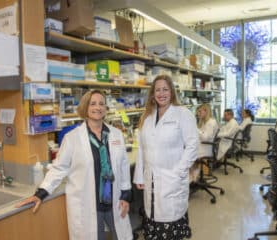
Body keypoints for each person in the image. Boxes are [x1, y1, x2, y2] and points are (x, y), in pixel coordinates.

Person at [16, 90, 133, 240]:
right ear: (85, 107)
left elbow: (123, 165)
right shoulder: (72, 138)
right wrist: (41, 193)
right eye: (93, 103)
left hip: (114, 202)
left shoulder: (116, 134)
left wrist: (125, 195)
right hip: (88, 205)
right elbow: (59, 168)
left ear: (105, 108)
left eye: (101, 104)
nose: (98, 107)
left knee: (123, 237)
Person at [133, 75, 198, 240]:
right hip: (151, 180)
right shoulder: (147, 117)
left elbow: (192, 146)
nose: (161, 93)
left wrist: (178, 172)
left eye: (165, 89)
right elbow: (142, 148)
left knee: (169, 228)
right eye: (157, 90)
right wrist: (139, 175)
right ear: (152, 94)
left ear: (172, 92)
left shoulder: (182, 114)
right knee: (153, 220)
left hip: (172, 180)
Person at [190, 104, 219, 182]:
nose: (198, 113)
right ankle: (193, 178)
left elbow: (205, 137)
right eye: (197, 112)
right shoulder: (204, 122)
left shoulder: (211, 122)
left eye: (200, 111)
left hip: (206, 149)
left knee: (187, 156)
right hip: (203, 146)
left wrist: (195, 129)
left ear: (206, 111)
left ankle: (192, 179)